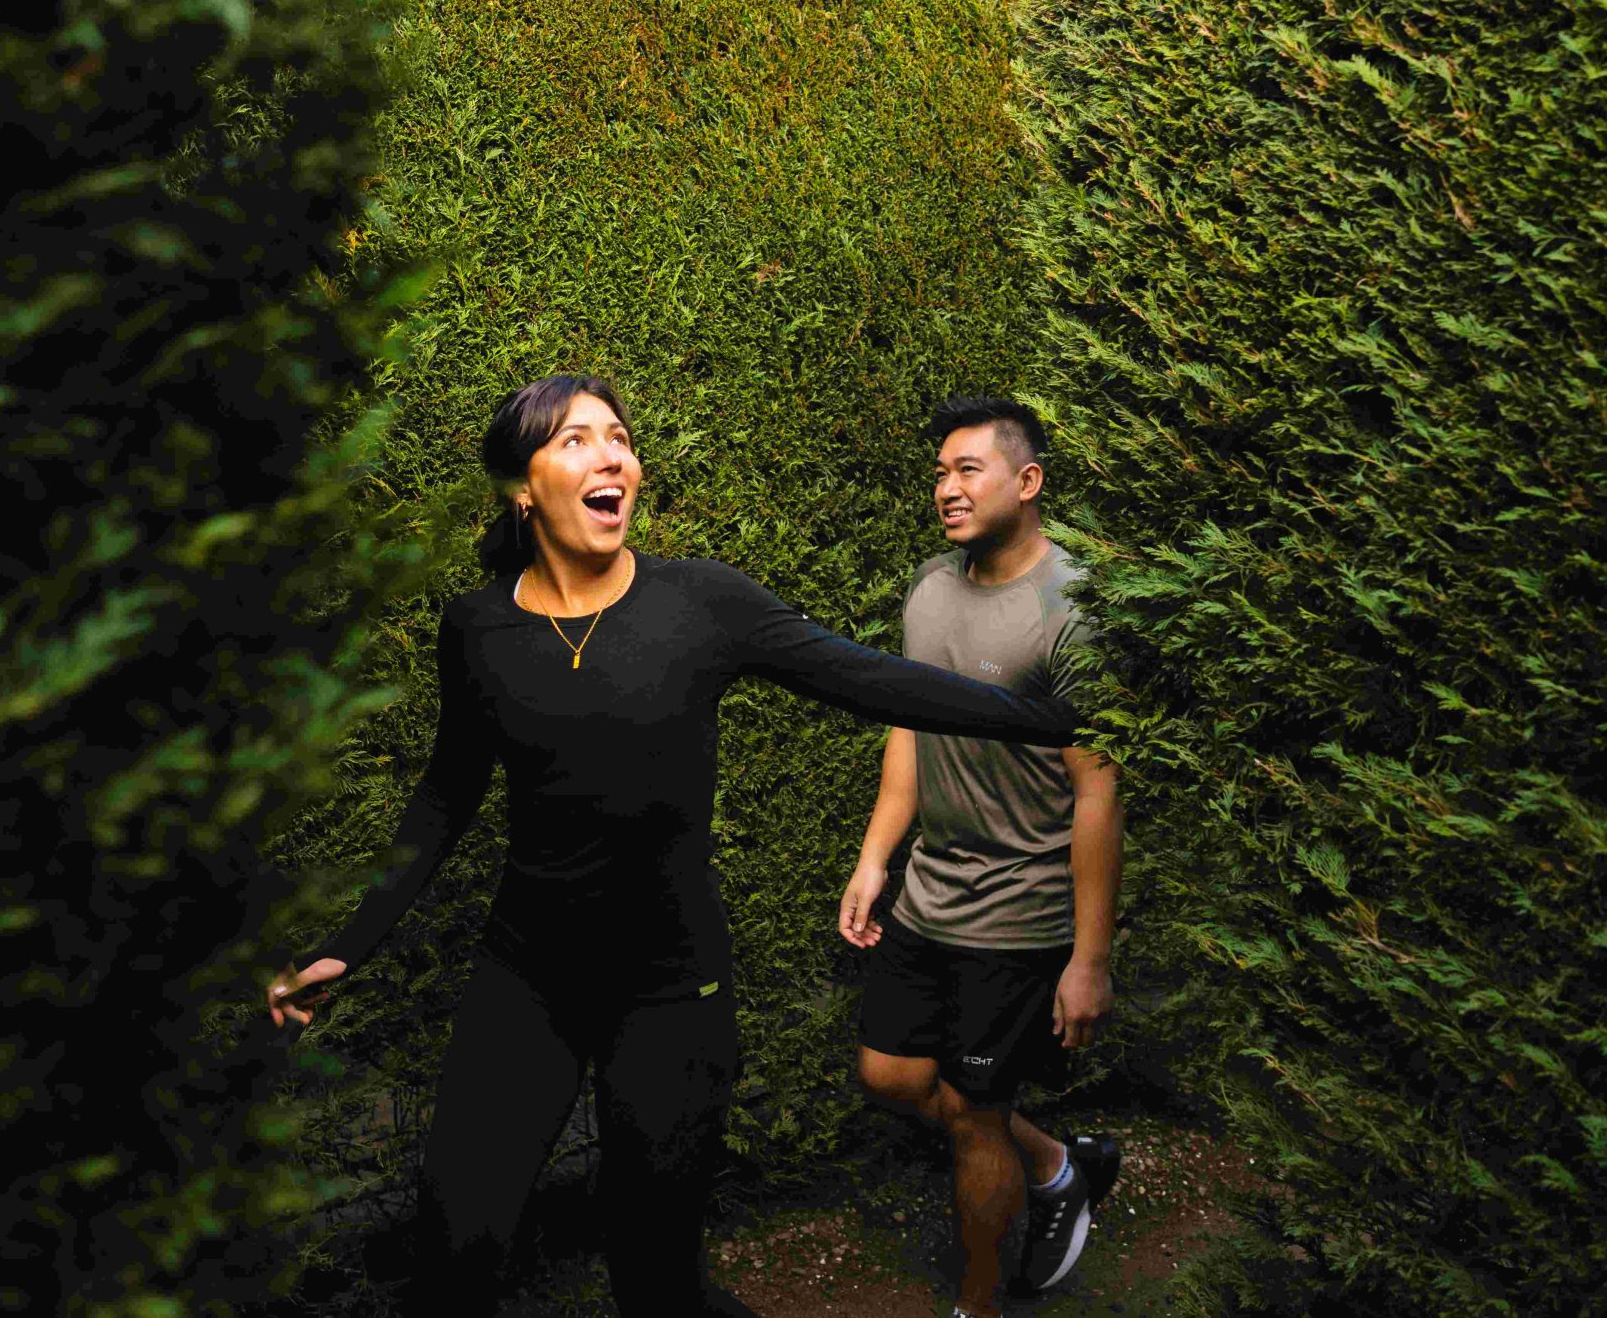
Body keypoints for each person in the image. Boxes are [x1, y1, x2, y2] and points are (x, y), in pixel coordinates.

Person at [267, 374, 1078, 1318]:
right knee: (455, 1256)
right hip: (525, 982)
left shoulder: (700, 604)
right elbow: (445, 797)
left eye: (619, 437)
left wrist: (1053, 719)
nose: (611, 456)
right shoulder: (479, 629)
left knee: (657, 1278)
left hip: (671, 993)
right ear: (520, 488)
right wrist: (348, 944)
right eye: (575, 441)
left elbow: (871, 681)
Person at [839, 395, 1123, 1318]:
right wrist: (877, 856)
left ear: (1028, 481)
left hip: (1019, 915)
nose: (946, 489)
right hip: (930, 897)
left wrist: (1088, 958)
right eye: (939, 473)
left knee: (973, 1116)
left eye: (968, 470)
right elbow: (910, 732)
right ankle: (1057, 1166)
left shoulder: (1071, 611)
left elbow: (1097, 789)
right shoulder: (930, 587)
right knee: (889, 1076)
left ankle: (977, 1306)